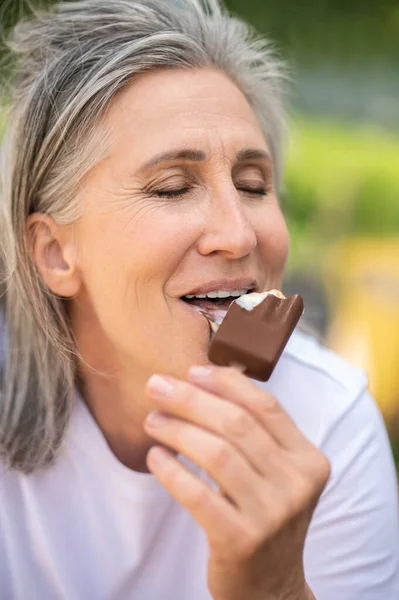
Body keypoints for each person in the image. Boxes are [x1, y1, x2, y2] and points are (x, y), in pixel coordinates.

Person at [0, 1, 397, 598]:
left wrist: (280, 589)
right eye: (173, 188)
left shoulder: (329, 420)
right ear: (56, 252)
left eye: (253, 185)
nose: (238, 234)